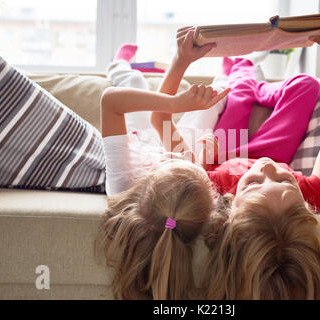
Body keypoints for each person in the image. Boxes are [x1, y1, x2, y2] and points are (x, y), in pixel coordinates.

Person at [202, 28, 320, 299]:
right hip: (276, 147)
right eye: (287, 180)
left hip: (224, 152)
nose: (268, 168)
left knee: (237, 96)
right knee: (306, 84)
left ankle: (242, 70)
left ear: (229, 210)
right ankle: (251, 80)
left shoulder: (215, 188)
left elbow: (168, 216)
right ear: (306, 207)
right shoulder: (313, 196)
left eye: (251, 183)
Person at [97, 29, 230, 299]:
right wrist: (203, 158)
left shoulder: (123, 184)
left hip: (135, 139)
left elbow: (111, 100)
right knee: (213, 104)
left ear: (147, 182)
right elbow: (162, 122)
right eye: (181, 159)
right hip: (167, 144)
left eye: (171, 160)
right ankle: (232, 70)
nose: (172, 155)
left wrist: (175, 99)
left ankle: (119, 62)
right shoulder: (192, 184)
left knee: (133, 79)